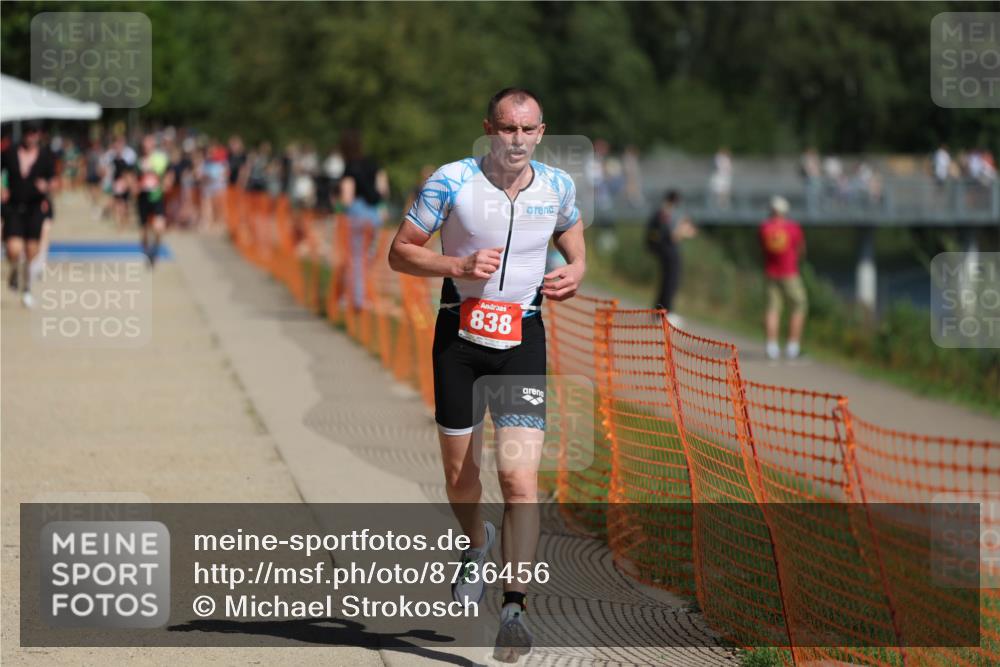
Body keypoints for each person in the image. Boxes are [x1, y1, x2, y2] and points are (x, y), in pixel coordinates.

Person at [388, 87, 585, 662]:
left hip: (523, 340)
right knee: (460, 477)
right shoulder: (451, 181)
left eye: (527, 129)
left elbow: (572, 236)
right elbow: (400, 251)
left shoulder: (558, 186)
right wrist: (457, 264)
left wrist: (577, 268)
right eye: (506, 128)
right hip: (460, 339)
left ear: (541, 132)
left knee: (520, 480)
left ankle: (514, 609)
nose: (517, 140)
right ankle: (476, 542)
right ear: (488, 129)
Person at [1, 122, 57, 307]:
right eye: (28, 133)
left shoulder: (45, 156)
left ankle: (26, 289)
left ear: (38, 135)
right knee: (13, 248)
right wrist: (2, 187)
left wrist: (46, 186)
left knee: (32, 251)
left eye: (34, 133)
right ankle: (14, 269)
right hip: (14, 207)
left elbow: (55, 181)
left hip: (35, 208)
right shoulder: (9, 153)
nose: (31, 136)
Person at [338, 129, 388, 311]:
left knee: (355, 258)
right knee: (368, 258)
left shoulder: (350, 167)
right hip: (374, 215)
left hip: (357, 214)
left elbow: (347, 197)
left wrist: (338, 207)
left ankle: (355, 299)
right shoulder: (374, 164)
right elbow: (383, 190)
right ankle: (364, 296)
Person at [759, 196, 807, 361]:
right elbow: (801, 249)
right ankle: (793, 346)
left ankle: (771, 347)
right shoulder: (793, 228)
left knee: (772, 309)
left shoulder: (764, 228)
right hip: (790, 273)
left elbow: (762, 249)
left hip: (771, 273)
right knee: (799, 305)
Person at [645, 190, 696, 326]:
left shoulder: (663, 213)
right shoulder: (666, 214)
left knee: (667, 282)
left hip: (665, 250)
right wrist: (683, 230)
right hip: (668, 251)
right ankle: (665, 313)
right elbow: (673, 235)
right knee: (670, 282)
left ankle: (659, 313)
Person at [134, 134, 173, 266]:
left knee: (159, 227)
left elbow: (169, 172)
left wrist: (167, 182)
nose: (148, 146)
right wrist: (135, 186)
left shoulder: (161, 159)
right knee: (144, 230)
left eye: (150, 144)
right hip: (143, 198)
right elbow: (132, 177)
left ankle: (155, 249)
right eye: (146, 144)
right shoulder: (139, 161)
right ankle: (146, 252)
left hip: (157, 196)